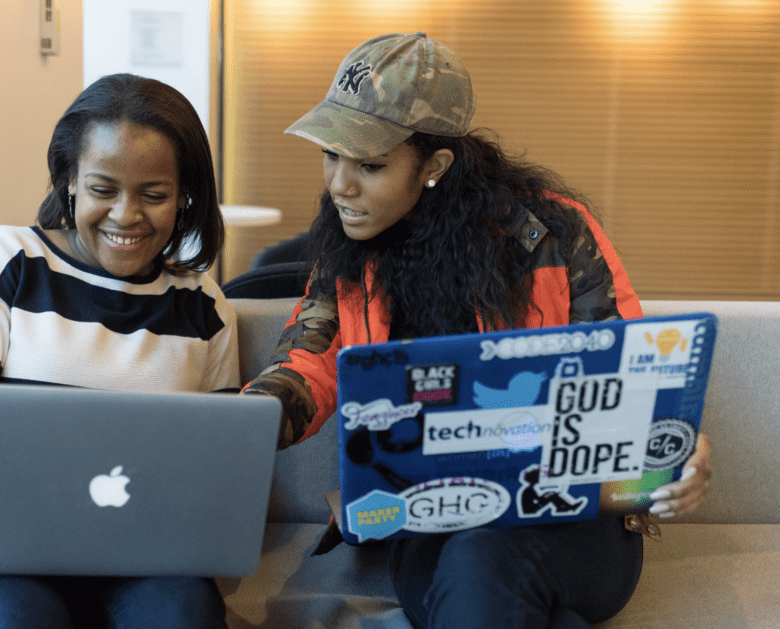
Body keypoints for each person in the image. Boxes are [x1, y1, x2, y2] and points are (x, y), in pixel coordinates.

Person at [241, 32, 712, 629]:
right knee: (479, 569)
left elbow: (622, 374)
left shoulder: (552, 234)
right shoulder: (348, 248)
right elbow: (309, 361)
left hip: (572, 517)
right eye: (332, 155)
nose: (339, 184)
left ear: (434, 166)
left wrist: (677, 451)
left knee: (480, 564)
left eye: (370, 164)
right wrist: (250, 420)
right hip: (429, 516)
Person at [0, 73, 238, 629]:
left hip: (137, 547)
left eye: (153, 195)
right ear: (69, 182)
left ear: (185, 197)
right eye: (102, 189)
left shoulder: (204, 305)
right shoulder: (6, 260)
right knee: (16, 620)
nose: (126, 215)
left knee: (183, 617)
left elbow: (222, 462)